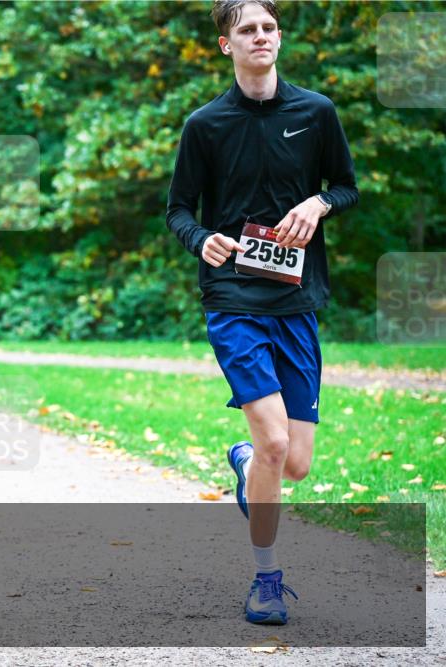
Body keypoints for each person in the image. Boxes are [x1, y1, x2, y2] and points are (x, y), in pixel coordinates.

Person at [166, 0, 358, 625]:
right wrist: (203, 240)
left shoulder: (316, 112)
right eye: (246, 29)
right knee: (275, 441)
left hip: (296, 302)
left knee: (293, 462)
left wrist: (320, 205)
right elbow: (179, 210)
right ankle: (267, 580)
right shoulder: (206, 124)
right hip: (233, 300)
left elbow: (347, 185)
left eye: (269, 28)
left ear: (279, 38)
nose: (260, 37)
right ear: (226, 44)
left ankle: (246, 463)